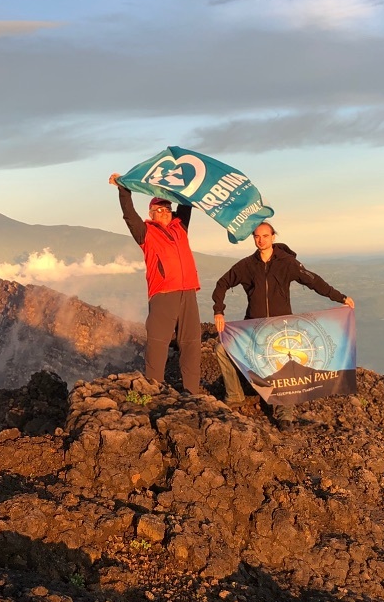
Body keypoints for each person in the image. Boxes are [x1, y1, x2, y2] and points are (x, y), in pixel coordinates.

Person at [212, 222, 354, 419]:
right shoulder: (246, 266)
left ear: (273, 237)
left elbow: (313, 281)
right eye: (257, 236)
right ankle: (235, 396)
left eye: (265, 236)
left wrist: (340, 297)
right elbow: (222, 283)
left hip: (281, 327)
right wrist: (219, 311)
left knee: (285, 363)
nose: (260, 240)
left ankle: (284, 413)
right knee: (222, 349)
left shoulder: (287, 263)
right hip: (253, 326)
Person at [109, 173, 203, 393]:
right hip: (163, 294)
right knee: (157, 344)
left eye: (167, 208)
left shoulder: (181, 227)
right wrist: (123, 189)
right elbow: (129, 215)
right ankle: (153, 391)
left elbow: (186, 203)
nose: (164, 212)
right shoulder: (145, 232)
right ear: (151, 213)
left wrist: (187, 179)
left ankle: (193, 392)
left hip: (188, 292)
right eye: (159, 209)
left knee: (191, 344)